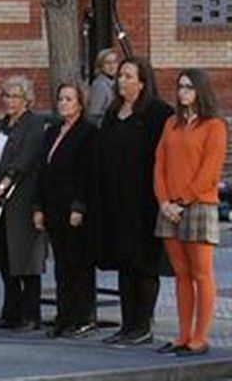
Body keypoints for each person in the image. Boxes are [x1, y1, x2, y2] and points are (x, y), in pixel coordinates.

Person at [89, 56, 172, 346]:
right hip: (115, 199)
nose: (120, 80)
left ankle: (143, 325)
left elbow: (165, 158)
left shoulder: (158, 113)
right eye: (119, 76)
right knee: (124, 261)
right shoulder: (113, 113)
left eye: (127, 76)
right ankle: (127, 325)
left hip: (145, 200)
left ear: (142, 82)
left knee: (144, 263)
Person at [153, 69, 228, 357]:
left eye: (189, 87)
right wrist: (164, 202)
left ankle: (199, 337)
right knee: (181, 274)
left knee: (201, 273)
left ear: (200, 91)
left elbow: (210, 171)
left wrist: (182, 202)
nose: (183, 92)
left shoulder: (215, 126)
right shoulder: (171, 123)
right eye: (180, 87)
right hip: (169, 208)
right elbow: (159, 164)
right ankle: (182, 336)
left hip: (198, 206)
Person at [0, 76, 47, 331]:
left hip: (22, 199)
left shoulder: (34, 125)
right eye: (6, 95)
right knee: (5, 258)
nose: (9, 101)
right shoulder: (0, 126)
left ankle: (31, 314)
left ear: (26, 100)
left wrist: (2, 187)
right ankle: (11, 312)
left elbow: (24, 161)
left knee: (25, 259)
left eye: (15, 96)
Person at [32, 83, 99, 339]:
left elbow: (86, 173)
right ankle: (64, 315)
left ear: (80, 103)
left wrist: (79, 206)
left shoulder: (87, 132)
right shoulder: (52, 132)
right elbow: (42, 170)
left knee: (78, 263)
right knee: (62, 264)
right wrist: (38, 207)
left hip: (74, 209)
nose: (63, 103)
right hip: (53, 207)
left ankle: (83, 317)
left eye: (69, 99)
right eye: (60, 98)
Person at [87, 48, 120, 126]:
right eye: (107, 63)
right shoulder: (100, 85)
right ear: (100, 66)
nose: (112, 66)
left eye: (114, 62)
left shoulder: (116, 82)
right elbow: (93, 114)